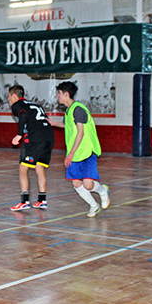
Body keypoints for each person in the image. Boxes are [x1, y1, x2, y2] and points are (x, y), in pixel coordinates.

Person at [49, 81, 110, 217]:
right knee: (76, 183)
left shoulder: (78, 109)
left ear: (66, 94)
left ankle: (102, 191)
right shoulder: (69, 111)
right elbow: (67, 125)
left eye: (59, 93)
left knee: (88, 185)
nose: (57, 96)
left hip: (87, 151)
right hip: (76, 153)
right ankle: (93, 206)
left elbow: (80, 132)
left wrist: (70, 154)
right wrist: (53, 123)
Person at [7, 84, 53, 211]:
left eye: (9, 96)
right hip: (49, 136)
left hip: (35, 137)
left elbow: (22, 115)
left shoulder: (17, 105)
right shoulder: (35, 104)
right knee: (39, 168)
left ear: (14, 95)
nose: (9, 100)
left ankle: (24, 201)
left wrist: (19, 134)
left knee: (23, 168)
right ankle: (42, 200)